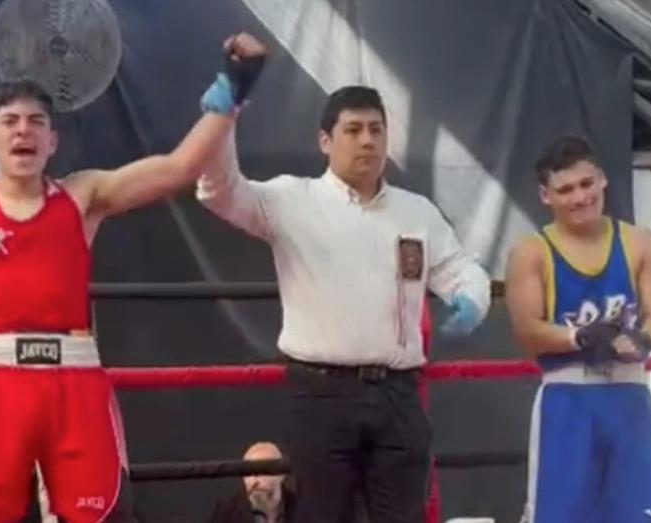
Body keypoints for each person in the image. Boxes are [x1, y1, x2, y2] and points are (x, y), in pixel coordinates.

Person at [0, 33, 267, 523]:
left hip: (75, 381)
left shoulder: (83, 195)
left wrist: (233, 87)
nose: (23, 131)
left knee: (100, 515)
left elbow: (179, 168)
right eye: (10, 122)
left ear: (52, 141)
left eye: (36, 122)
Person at [196, 85, 491, 523]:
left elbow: (460, 268)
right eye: (353, 130)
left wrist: (472, 299)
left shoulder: (417, 212)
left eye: (376, 129)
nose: (367, 140)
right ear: (325, 141)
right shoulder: (291, 199)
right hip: (322, 394)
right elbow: (220, 192)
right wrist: (222, 122)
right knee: (323, 516)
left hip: (398, 393)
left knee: (404, 518)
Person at [505, 135, 651, 523]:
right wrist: (577, 337)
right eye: (566, 189)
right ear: (546, 195)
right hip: (567, 399)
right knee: (562, 515)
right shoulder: (531, 251)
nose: (580, 197)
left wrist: (642, 338)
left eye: (586, 184)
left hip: (630, 395)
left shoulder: (640, 242)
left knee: (645, 514)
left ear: (602, 179)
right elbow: (526, 330)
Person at [208, 442, 296, 523]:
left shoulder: (299, 506)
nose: (254, 480)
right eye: (248, 473)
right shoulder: (227, 511)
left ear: (282, 474)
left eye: (262, 471)